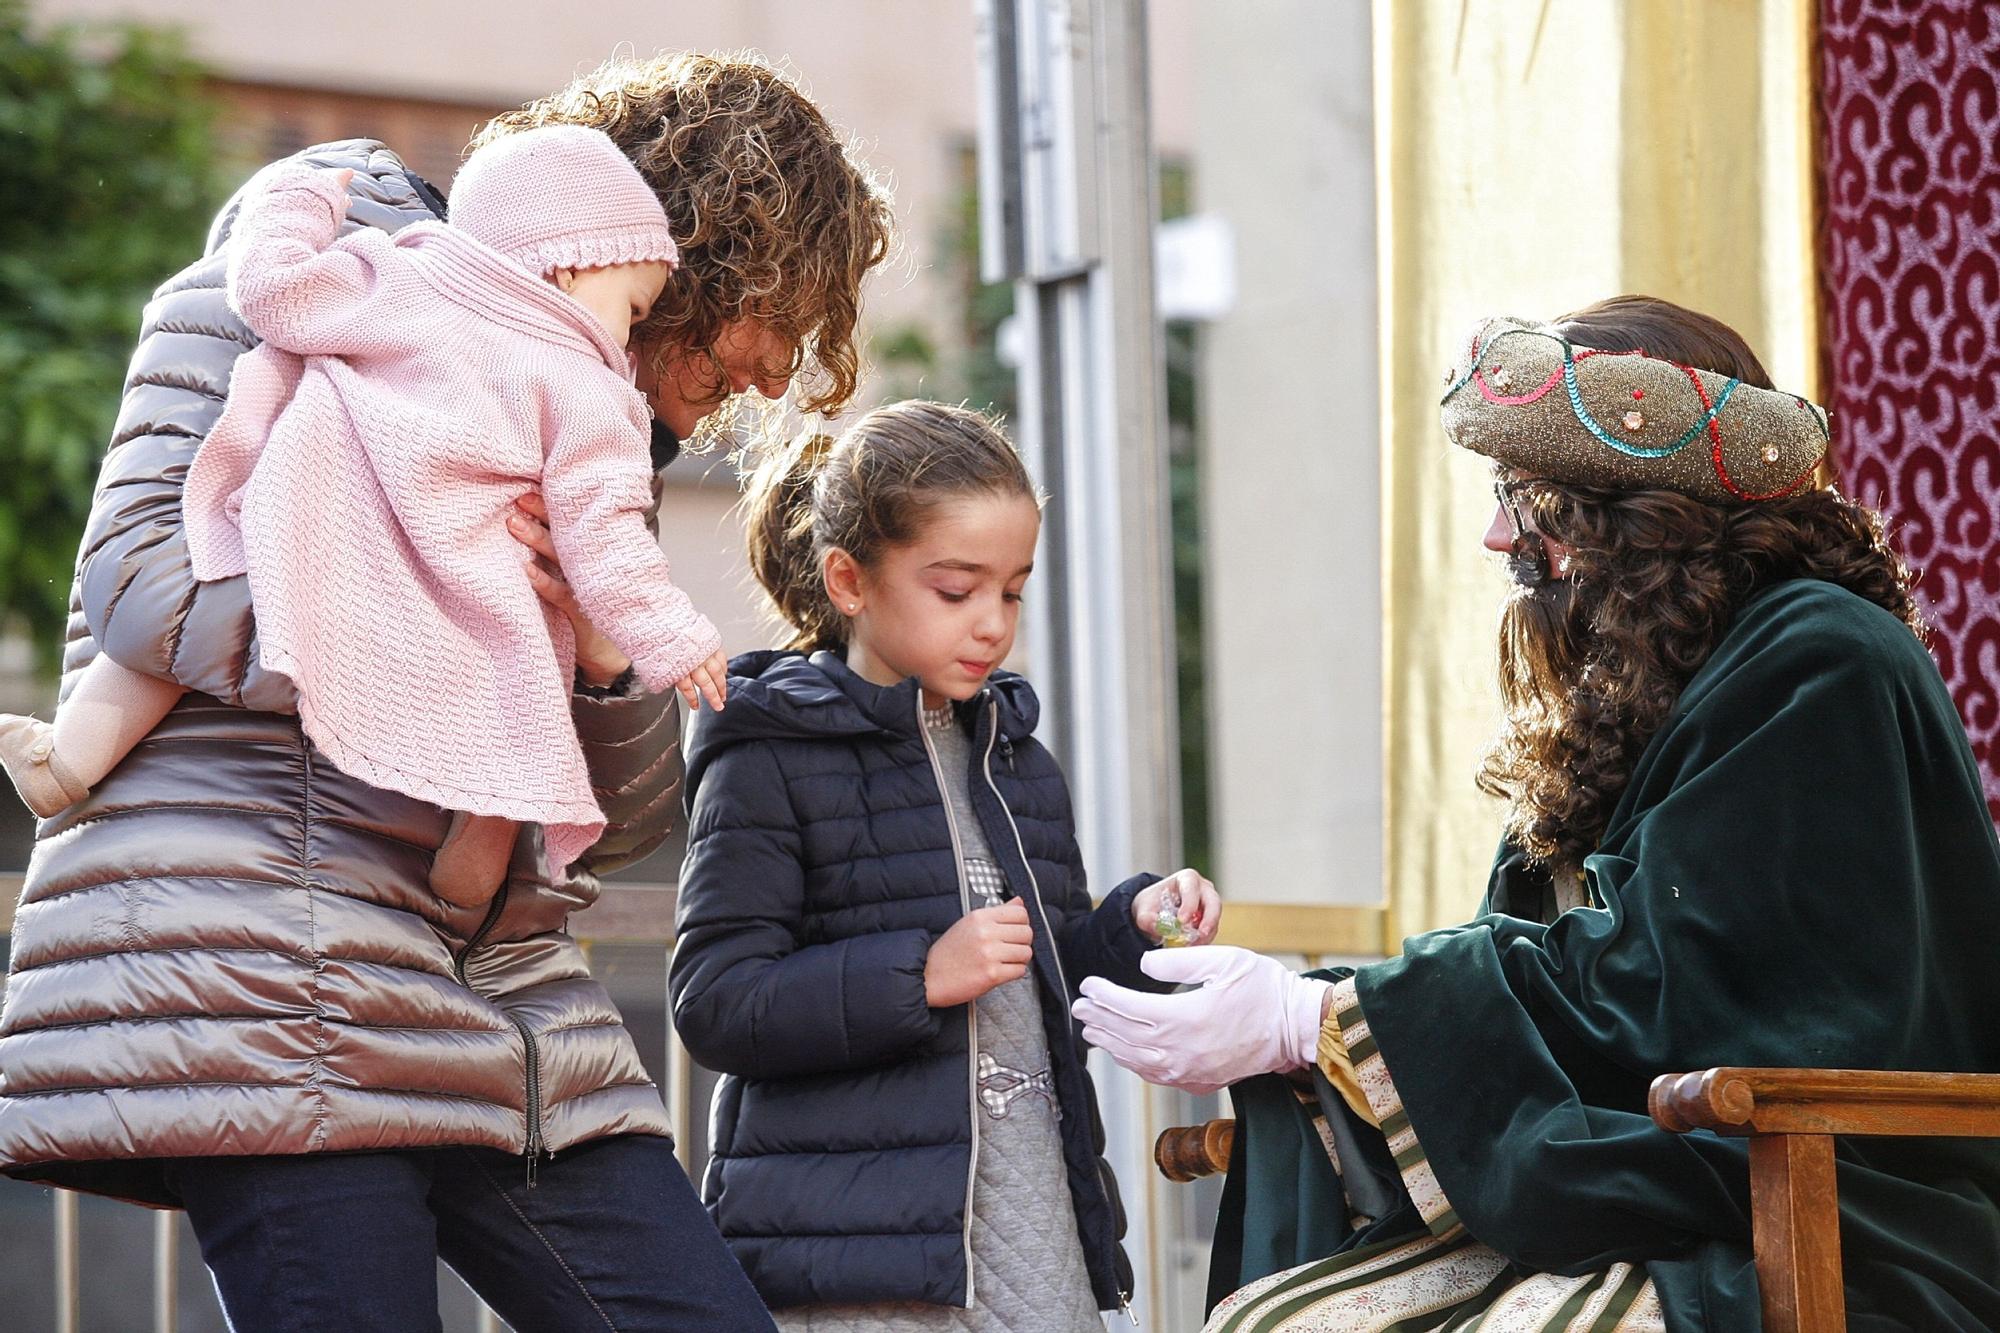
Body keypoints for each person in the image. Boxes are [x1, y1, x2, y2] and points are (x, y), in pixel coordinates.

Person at [0, 51, 892, 1332]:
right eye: (777, 314)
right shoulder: (288, 292)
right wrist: (455, 616)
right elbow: (144, 587)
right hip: (274, 973)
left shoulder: (594, 431)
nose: (770, 372)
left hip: (500, 1004)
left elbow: (627, 818)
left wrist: (584, 642)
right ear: (690, 240)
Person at [1074, 296, 2000, 1331]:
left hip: (1829, 1205)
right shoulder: (1653, 688)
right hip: (1674, 1190)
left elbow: (1672, 986)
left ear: (1632, 507)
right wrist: (1308, 1023)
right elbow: (1543, 966)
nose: (1491, 536)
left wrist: (1313, 1020)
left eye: (1524, 496)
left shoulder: (1815, 659)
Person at [0, 125, 730, 909]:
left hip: (321, 524)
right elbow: (606, 528)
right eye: (633, 306)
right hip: (461, 581)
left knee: (209, 586)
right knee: (520, 681)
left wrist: (293, 205)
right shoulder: (587, 387)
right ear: (573, 262)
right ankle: (472, 869)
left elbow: (276, 294)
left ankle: (66, 758)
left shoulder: (403, 277)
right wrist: (667, 632)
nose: (627, 339)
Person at [667, 400, 1224, 1329]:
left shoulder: (1017, 760)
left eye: (1011, 590)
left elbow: (1048, 975)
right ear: (849, 579)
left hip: (1040, 1221)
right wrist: (919, 974)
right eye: (956, 589)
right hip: (861, 1262)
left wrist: (1131, 926)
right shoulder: (767, 753)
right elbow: (716, 1002)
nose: (992, 623)